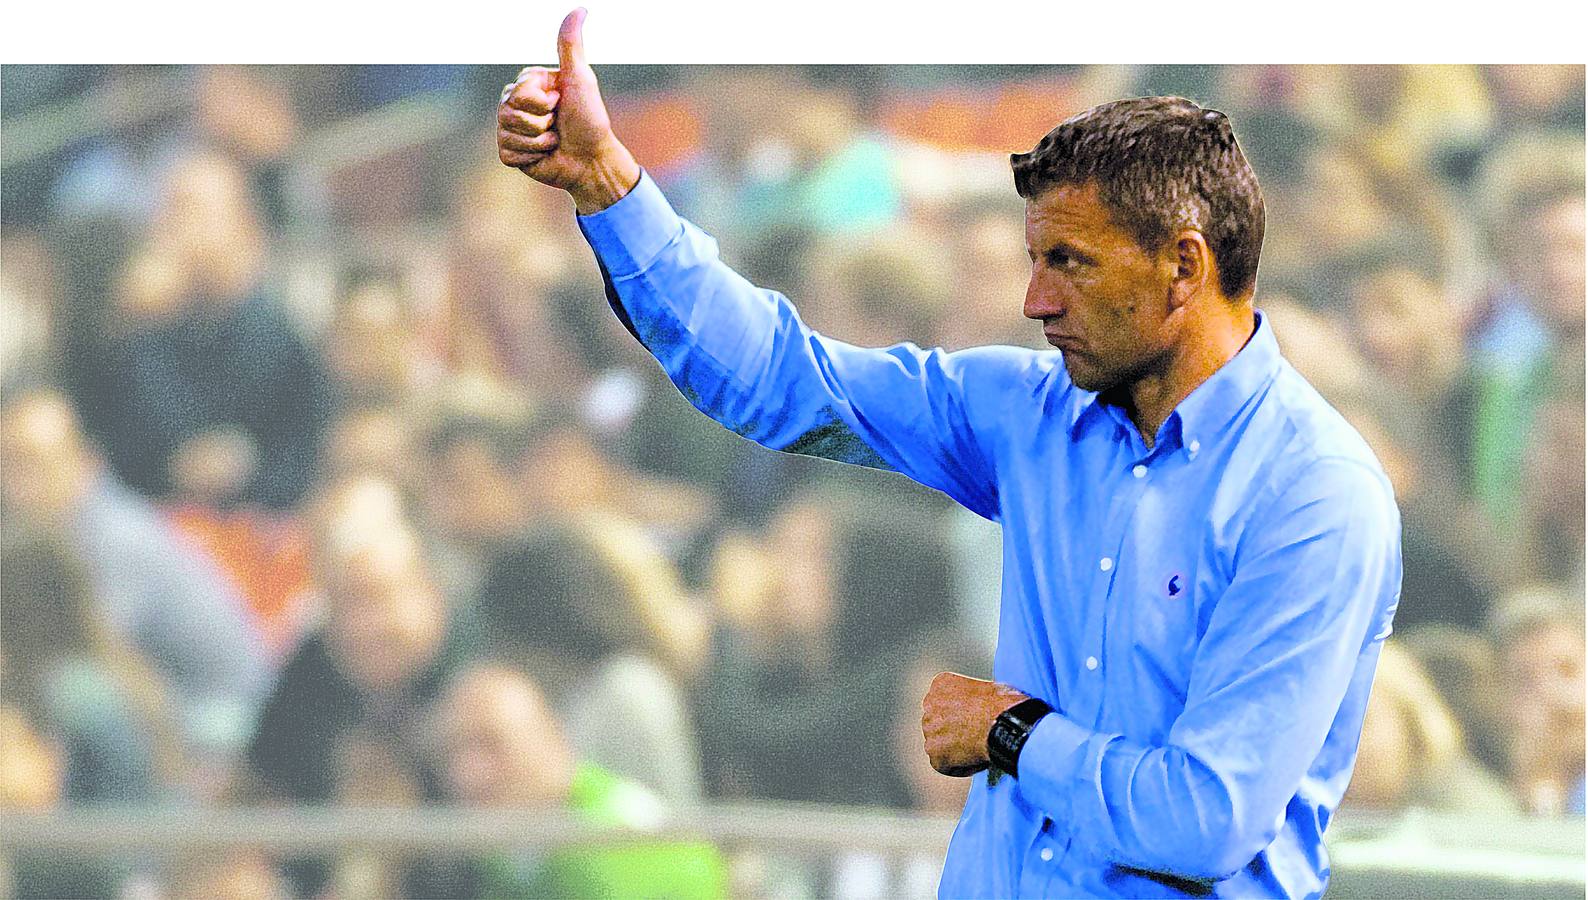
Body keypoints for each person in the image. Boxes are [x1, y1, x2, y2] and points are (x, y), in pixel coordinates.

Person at [497, 13, 1402, 899]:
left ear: (1185, 267)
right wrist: (611, 189)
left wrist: (1011, 732)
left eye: (1071, 263)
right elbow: (779, 377)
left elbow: (1206, 819)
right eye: (1034, 260)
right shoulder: (1026, 411)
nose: (1035, 301)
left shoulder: (1316, 496)